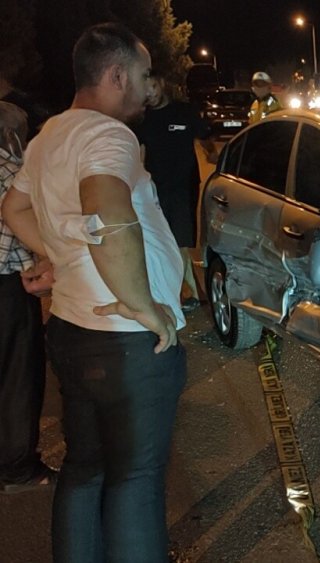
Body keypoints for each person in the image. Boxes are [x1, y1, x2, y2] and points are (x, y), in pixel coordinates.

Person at [2, 22, 187, 562]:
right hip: (127, 339)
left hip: (72, 328)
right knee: (136, 479)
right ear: (116, 74)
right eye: (144, 75)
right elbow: (106, 204)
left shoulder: (50, 135)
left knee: (85, 468)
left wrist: (58, 257)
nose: (149, 88)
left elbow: (13, 209)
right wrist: (141, 303)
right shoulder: (109, 135)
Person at [0, 101, 56, 495]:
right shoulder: (9, 170)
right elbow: (24, 221)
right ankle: (19, 467)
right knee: (18, 377)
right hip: (6, 287)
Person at [134, 74, 217, 312]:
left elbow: (205, 137)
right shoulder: (143, 119)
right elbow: (139, 153)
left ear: (161, 84)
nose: (149, 93)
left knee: (180, 238)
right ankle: (186, 289)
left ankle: (189, 290)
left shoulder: (184, 111)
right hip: (156, 187)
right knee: (162, 238)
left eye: (152, 87)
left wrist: (213, 154)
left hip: (184, 186)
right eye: (144, 89)